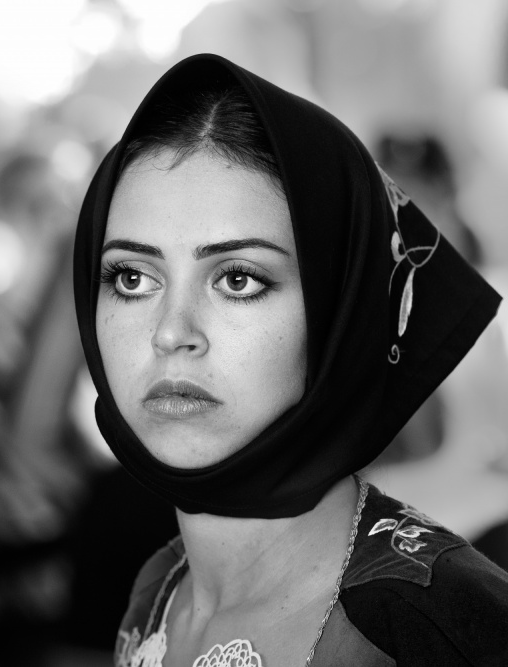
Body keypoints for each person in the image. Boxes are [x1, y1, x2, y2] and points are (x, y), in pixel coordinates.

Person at [72, 53, 508, 666]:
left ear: (338, 312)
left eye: (238, 280)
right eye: (132, 278)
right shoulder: (159, 588)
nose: (171, 333)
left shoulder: (430, 627)